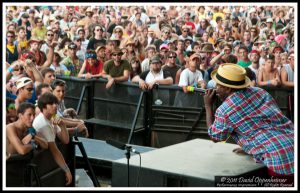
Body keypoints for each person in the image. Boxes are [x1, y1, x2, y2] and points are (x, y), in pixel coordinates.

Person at [204, 63, 294, 176]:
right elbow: (264, 125)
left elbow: (215, 137)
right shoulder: (260, 92)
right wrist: (251, 148)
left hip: (281, 160)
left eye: (218, 85)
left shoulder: (225, 110)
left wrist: (208, 106)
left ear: (227, 88)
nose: (216, 88)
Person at [33, 92, 72, 185]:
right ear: (43, 107)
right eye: (51, 104)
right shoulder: (43, 123)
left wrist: (62, 126)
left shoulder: (52, 116)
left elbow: (65, 140)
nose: (55, 106)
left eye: (56, 103)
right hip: (39, 166)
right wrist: (67, 170)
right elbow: (55, 151)